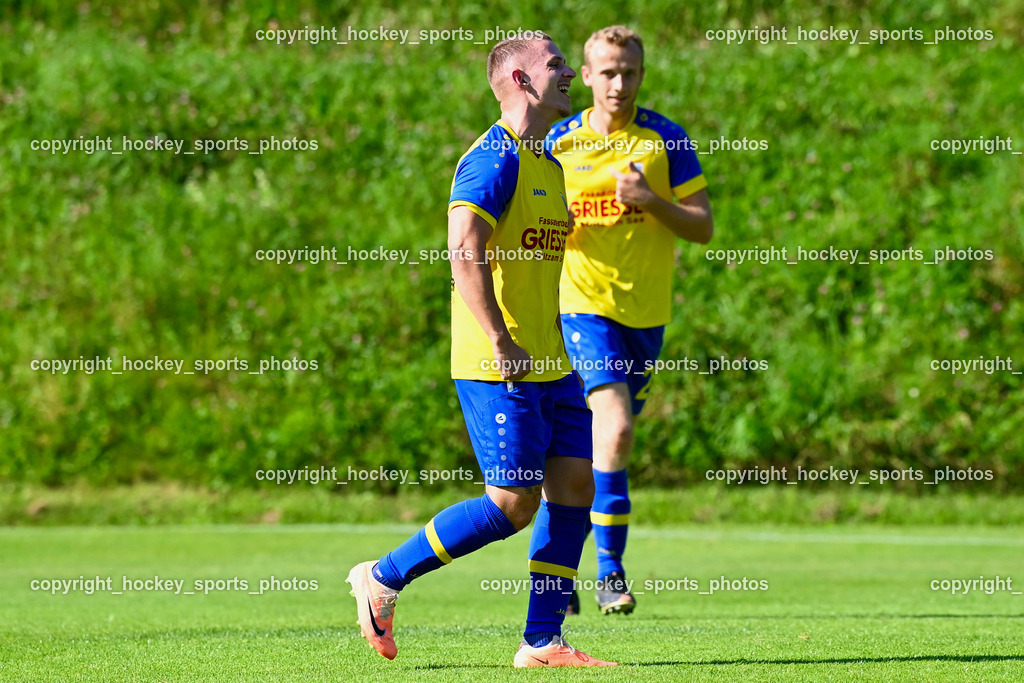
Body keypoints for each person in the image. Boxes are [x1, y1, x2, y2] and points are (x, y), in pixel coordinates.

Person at [347, 31, 616, 668]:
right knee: (512, 506)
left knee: (575, 487)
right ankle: (382, 577)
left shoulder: (548, 164)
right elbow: (463, 250)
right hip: (500, 362)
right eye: (556, 65)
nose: (569, 74)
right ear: (521, 80)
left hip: (551, 362)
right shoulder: (493, 158)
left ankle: (542, 642)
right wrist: (500, 338)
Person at [547, 25, 714, 616]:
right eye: (608, 72)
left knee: (592, 450)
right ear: (587, 76)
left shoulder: (665, 139)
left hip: (645, 316)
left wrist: (651, 202)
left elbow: (702, 226)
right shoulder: (558, 142)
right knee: (614, 430)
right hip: (579, 305)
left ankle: (557, 572)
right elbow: (523, 219)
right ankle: (610, 573)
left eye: (630, 72)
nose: (619, 83)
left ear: (641, 74)